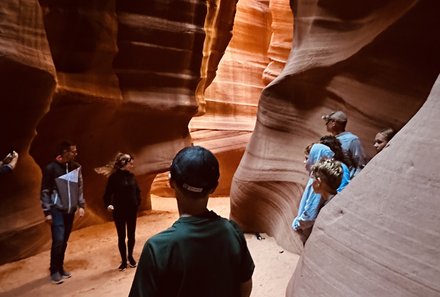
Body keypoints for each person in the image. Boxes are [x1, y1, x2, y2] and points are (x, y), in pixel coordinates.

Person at [129, 146, 255, 297]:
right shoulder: (232, 232)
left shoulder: (158, 248)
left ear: (171, 182)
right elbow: (245, 285)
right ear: (214, 187)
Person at [40, 141, 85, 284]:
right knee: (58, 240)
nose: (76, 154)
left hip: (70, 210)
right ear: (65, 152)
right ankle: (54, 270)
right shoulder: (51, 168)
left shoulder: (76, 168)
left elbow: (79, 187)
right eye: (73, 151)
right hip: (57, 210)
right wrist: (47, 211)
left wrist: (81, 205)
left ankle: (60, 267)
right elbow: (45, 191)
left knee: (64, 240)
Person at [292, 143, 349, 243]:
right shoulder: (332, 197)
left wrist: (298, 224)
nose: (305, 162)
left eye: (307, 158)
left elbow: (310, 214)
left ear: (318, 182)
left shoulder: (320, 191)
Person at [95, 153, 141, 271]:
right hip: (119, 211)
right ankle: (124, 261)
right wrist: (109, 205)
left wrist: (137, 204)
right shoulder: (113, 178)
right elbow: (107, 195)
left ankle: (130, 256)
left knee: (131, 236)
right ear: (124, 163)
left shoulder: (132, 176)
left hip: (131, 211)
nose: (132, 164)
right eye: (130, 162)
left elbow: (137, 191)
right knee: (122, 236)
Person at [322, 110, 366, 178]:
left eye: (328, 121)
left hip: (346, 181)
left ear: (333, 122)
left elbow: (360, 164)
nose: (326, 124)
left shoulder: (352, 140)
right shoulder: (330, 140)